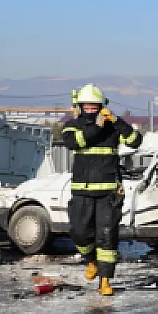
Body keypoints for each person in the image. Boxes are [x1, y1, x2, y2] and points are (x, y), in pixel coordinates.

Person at [61, 84, 140, 296]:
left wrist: (116, 121)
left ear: (102, 105)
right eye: (86, 105)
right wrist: (97, 126)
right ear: (79, 106)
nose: (90, 108)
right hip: (82, 191)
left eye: (94, 105)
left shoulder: (112, 127)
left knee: (107, 237)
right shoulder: (72, 126)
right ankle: (90, 261)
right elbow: (75, 142)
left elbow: (135, 141)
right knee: (79, 232)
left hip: (109, 192)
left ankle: (105, 281)